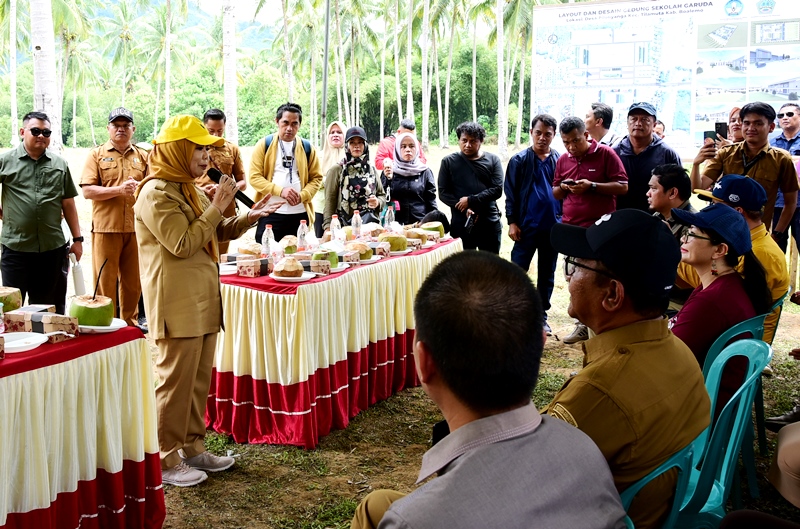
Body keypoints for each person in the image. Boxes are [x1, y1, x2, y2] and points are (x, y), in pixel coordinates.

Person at [351, 252, 627, 529]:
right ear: (540, 344)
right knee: (376, 504)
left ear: (424, 363)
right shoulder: (584, 448)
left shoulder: (414, 521)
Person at [134, 115, 283, 487]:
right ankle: (165, 458)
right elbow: (183, 243)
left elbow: (214, 232)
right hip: (175, 302)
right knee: (174, 383)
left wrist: (250, 216)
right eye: (198, 149)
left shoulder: (189, 188)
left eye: (207, 150)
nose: (206, 157)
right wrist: (217, 204)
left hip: (203, 298)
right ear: (176, 151)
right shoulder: (155, 193)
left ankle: (192, 446)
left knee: (198, 380)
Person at [544, 209, 711, 529]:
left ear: (612, 294)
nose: (568, 277)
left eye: (575, 266)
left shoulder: (599, 392)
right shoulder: (678, 352)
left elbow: (525, 475)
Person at [669, 203, 771, 414]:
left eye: (692, 234)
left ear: (720, 250)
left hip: (699, 412)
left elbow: (666, 357)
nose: (683, 239)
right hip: (707, 399)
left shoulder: (713, 300)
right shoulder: (723, 285)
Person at [681, 174, 789, 345]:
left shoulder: (761, 253)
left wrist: (670, 256)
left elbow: (715, 289)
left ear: (737, 212)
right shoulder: (751, 244)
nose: (709, 210)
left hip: (740, 345)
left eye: (715, 205)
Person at [552, 116, 628, 344]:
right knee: (573, 277)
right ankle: (582, 325)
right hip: (572, 228)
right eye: (566, 142)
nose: (571, 147)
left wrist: (592, 186)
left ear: (586, 135)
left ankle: (600, 324)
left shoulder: (606, 154)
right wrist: (564, 187)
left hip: (599, 229)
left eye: (575, 141)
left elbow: (623, 186)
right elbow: (555, 191)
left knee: (599, 279)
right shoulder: (563, 160)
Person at [0, 111, 83, 314]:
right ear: (23, 132)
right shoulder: (5, 161)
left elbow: (68, 203)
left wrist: (78, 239)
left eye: (46, 132)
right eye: (35, 131)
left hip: (52, 249)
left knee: (49, 312)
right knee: (12, 311)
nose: (41, 136)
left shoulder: (60, 164)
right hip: (16, 249)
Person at [80, 107, 148, 328]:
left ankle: (129, 326)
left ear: (133, 129)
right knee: (104, 282)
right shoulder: (96, 155)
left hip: (137, 229)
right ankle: (105, 326)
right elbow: (88, 190)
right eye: (116, 125)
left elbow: (154, 188)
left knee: (133, 284)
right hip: (106, 229)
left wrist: (141, 188)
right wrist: (119, 190)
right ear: (108, 128)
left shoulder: (143, 156)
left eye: (125, 125)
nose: (121, 129)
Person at [692, 102, 798, 241]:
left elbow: (790, 202)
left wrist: (777, 234)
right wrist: (696, 164)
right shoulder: (726, 153)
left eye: (758, 123)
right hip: (723, 231)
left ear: (771, 127)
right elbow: (697, 188)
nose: (750, 128)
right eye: (746, 123)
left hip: (756, 235)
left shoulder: (781, 159)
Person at [504, 114, 561, 334]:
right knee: (517, 270)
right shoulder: (519, 161)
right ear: (531, 133)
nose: (542, 138)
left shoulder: (559, 160)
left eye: (548, 134)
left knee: (547, 274)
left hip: (552, 228)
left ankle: (540, 316)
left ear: (554, 135)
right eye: (538, 133)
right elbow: (511, 194)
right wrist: (512, 222)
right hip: (526, 228)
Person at [249, 102, 323, 242]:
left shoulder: (307, 147)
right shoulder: (264, 144)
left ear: (299, 125)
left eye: (294, 124)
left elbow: (316, 178)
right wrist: (280, 191)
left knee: (299, 252)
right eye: (285, 123)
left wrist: (302, 196)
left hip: (300, 214)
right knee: (267, 251)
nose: (289, 128)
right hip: (270, 212)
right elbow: (254, 177)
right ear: (277, 121)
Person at [438, 122, 503, 253]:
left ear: (481, 141)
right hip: (461, 224)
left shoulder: (493, 160)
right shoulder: (448, 162)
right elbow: (443, 192)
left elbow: (497, 190)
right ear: (459, 140)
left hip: (489, 223)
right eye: (464, 140)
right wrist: (463, 207)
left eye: (473, 141)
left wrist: (471, 200)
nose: (468, 145)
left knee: (490, 264)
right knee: (464, 264)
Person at [193, 108, 246, 255]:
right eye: (211, 131)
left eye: (220, 131)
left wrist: (227, 188)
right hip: (199, 205)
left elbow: (242, 182)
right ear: (204, 127)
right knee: (200, 250)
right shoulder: (193, 149)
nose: (215, 135)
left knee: (222, 251)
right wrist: (202, 191)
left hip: (226, 208)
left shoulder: (232, 149)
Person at [613, 102, 681, 212]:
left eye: (644, 119)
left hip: (655, 217)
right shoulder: (614, 152)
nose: (638, 123)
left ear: (654, 125)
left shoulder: (667, 154)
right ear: (627, 123)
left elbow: (679, 192)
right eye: (634, 119)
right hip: (620, 215)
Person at [323, 126, 386, 229]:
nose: (357, 146)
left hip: (369, 226)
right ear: (347, 146)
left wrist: (377, 202)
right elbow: (330, 201)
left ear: (365, 145)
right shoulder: (337, 170)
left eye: (360, 142)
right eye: (352, 142)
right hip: (344, 227)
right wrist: (327, 227)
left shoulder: (371, 170)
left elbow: (382, 195)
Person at [385, 132, 436, 225]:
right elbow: (382, 197)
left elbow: (431, 200)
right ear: (397, 149)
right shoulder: (390, 171)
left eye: (412, 146)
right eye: (403, 146)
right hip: (394, 224)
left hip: (420, 223)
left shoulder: (424, 171)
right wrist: (388, 179)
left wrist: (433, 221)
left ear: (417, 148)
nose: (408, 149)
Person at [770, 103, 800, 253]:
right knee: (776, 249)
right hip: (777, 204)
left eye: (790, 114)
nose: (784, 118)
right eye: (781, 115)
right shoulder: (771, 144)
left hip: (799, 204)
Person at [313, 121, 347, 237]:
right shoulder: (318, 157)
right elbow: (313, 180)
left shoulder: (350, 157)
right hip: (321, 208)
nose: (335, 135)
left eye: (339, 132)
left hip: (345, 208)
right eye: (332, 132)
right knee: (323, 241)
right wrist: (332, 180)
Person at [647, 163, 696, 241]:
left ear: (672, 193)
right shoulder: (658, 215)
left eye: (654, 189)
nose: (648, 194)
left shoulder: (693, 226)